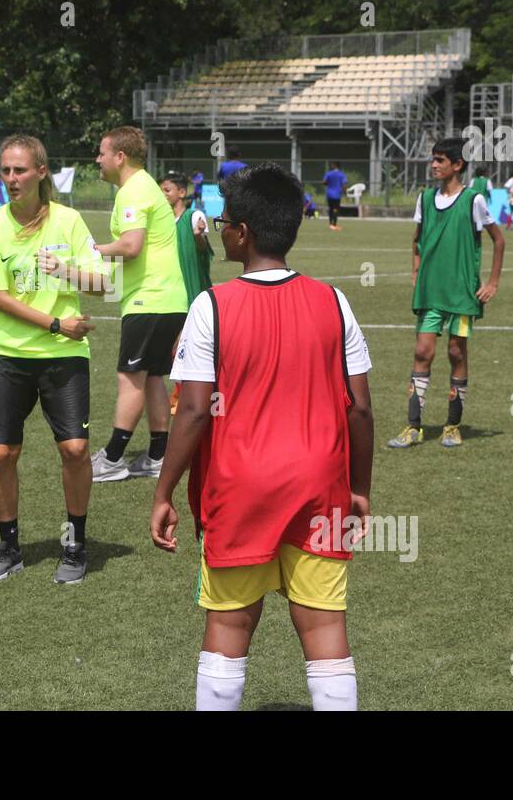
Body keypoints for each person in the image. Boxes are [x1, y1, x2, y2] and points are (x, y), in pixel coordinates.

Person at [150, 164, 373, 711]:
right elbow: (361, 409)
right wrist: (359, 489)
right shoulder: (334, 301)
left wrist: (164, 491)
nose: (220, 229)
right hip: (319, 485)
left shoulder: (213, 306)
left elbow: (197, 411)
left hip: (239, 488)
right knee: (325, 635)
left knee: (228, 634)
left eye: (225, 220)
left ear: (243, 232)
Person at [0, 135, 108, 585]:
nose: (11, 179)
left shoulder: (69, 222)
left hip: (64, 355)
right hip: (6, 354)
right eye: (6, 170)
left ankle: (75, 544)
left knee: (75, 449)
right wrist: (55, 323)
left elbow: (105, 283)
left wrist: (66, 271)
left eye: (20, 170)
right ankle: (9, 546)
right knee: (2, 453)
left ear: (41, 172)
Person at [388, 136, 506, 449]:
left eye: (440, 160)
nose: (434, 165)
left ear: (457, 165)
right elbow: (416, 239)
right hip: (431, 293)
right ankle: (413, 426)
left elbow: (499, 240)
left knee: (456, 352)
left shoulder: (473, 200)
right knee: (422, 352)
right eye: (433, 160)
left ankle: (452, 424)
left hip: (462, 295)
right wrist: (416, 269)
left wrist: (492, 282)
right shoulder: (425, 198)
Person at [91, 127, 190, 483]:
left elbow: (131, 247)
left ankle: (113, 458)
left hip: (150, 299)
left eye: (102, 153)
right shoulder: (145, 185)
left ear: (120, 157)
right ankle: (158, 456)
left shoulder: (133, 191)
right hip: (167, 299)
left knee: (129, 376)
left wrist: (93, 251)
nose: (97, 159)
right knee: (151, 379)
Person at [160, 171, 212, 307]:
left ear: (182, 193)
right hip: (171, 287)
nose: (163, 194)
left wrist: (197, 235)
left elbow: (203, 250)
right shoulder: (163, 221)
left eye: (167, 190)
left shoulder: (193, 216)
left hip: (192, 285)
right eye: (161, 191)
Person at [323, 162, 348, 231]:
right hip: (337, 195)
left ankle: (330, 224)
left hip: (329, 194)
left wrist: (329, 183)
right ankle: (334, 224)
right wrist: (345, 194)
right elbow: (344, 185)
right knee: (336, 209)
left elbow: (324, 182)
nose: (331, 166)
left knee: (331, 209)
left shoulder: (329, 173)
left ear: (335, 165)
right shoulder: (342, 174)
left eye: (332, 165)